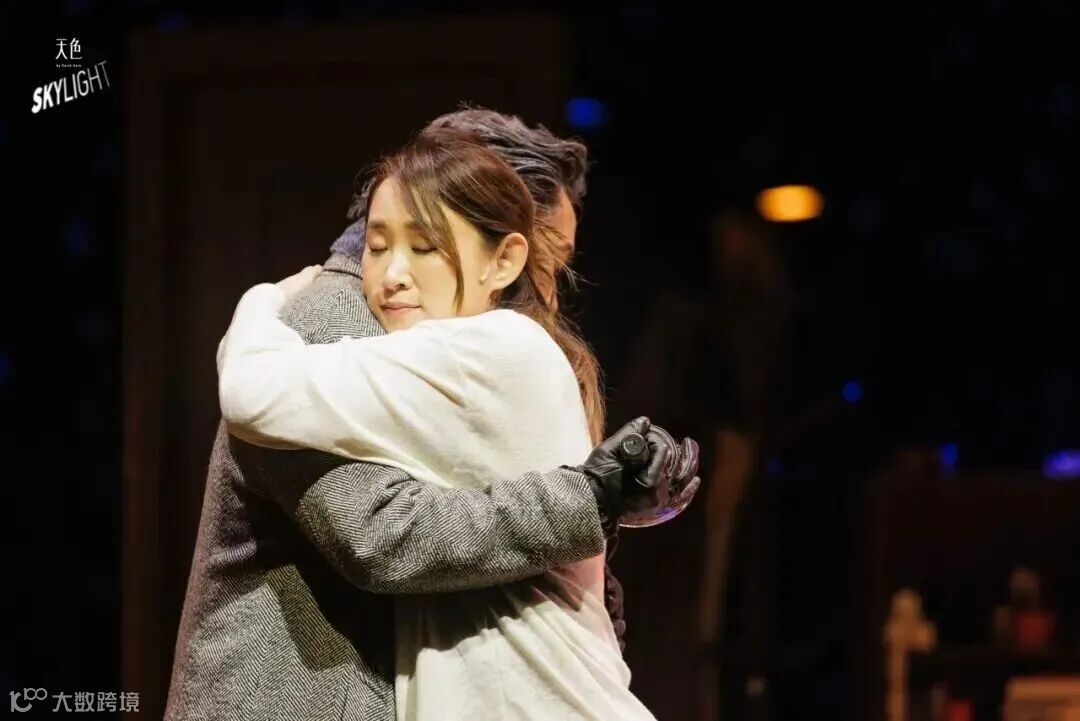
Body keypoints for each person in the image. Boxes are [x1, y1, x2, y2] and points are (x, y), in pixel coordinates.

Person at [165, 109, 700, 721]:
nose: (548, 289)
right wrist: (590, 501)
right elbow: (380, 535)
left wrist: (594, 535)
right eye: (548, 256)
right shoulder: (331, 321)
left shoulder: (459, 341)